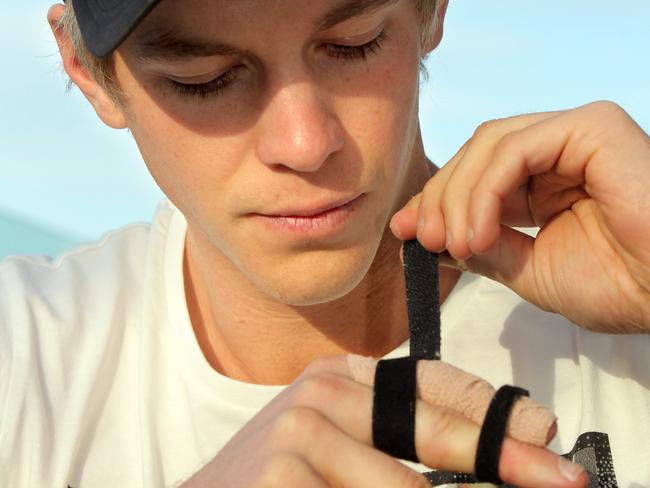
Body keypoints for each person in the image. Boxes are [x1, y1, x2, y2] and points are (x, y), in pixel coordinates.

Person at [0, 0, 648, 486]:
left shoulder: (628, 291)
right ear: (88, 71)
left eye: (353, 44)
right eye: (203, 79)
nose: (305, 144)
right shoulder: (21, 359)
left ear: (432, 10)